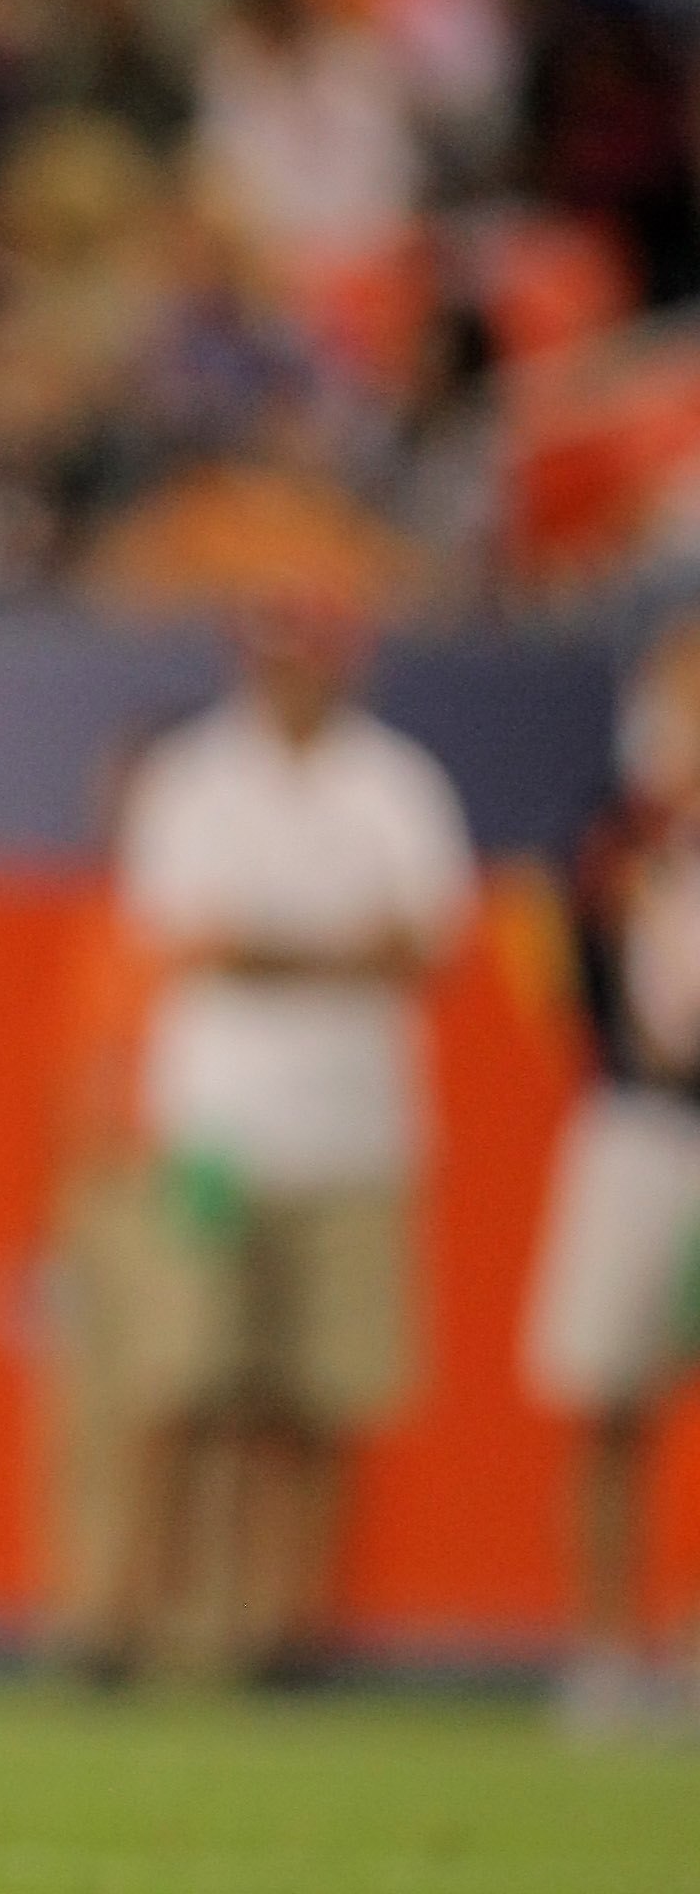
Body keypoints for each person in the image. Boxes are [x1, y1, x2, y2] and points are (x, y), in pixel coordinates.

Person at [103, 583, 473, 1684]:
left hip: (354, 1132)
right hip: (213, 1129)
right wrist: (340, 953)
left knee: (315, 1401)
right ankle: (138, 1619)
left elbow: (428, 947)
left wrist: (279, 952)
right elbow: (194, 942)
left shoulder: (396, 783)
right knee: (183, 1384)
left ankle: (288, 1628)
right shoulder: (194, 780)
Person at [526, 611, 700, 1735]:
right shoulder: (613, 838)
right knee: (607, 1398)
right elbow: (579, 988)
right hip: (639, 1129)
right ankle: (602, 1648)